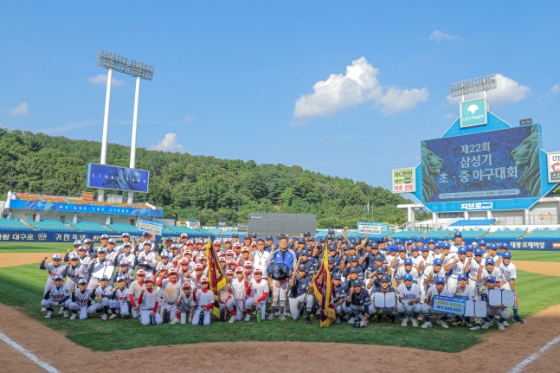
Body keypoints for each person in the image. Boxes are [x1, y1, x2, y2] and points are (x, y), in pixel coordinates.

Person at [499, 252, 524, 324]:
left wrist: (512, 292)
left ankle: (515, 316)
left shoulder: (512, 267)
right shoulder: (499, 263)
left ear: (511, 259)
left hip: (506, 283)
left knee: (514, 298)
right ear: (502, 258)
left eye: (508, 258)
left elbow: (512, 280)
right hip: (496, 282)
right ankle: (494, 315)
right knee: (495, 296)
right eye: (505, 258)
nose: (507, 260)